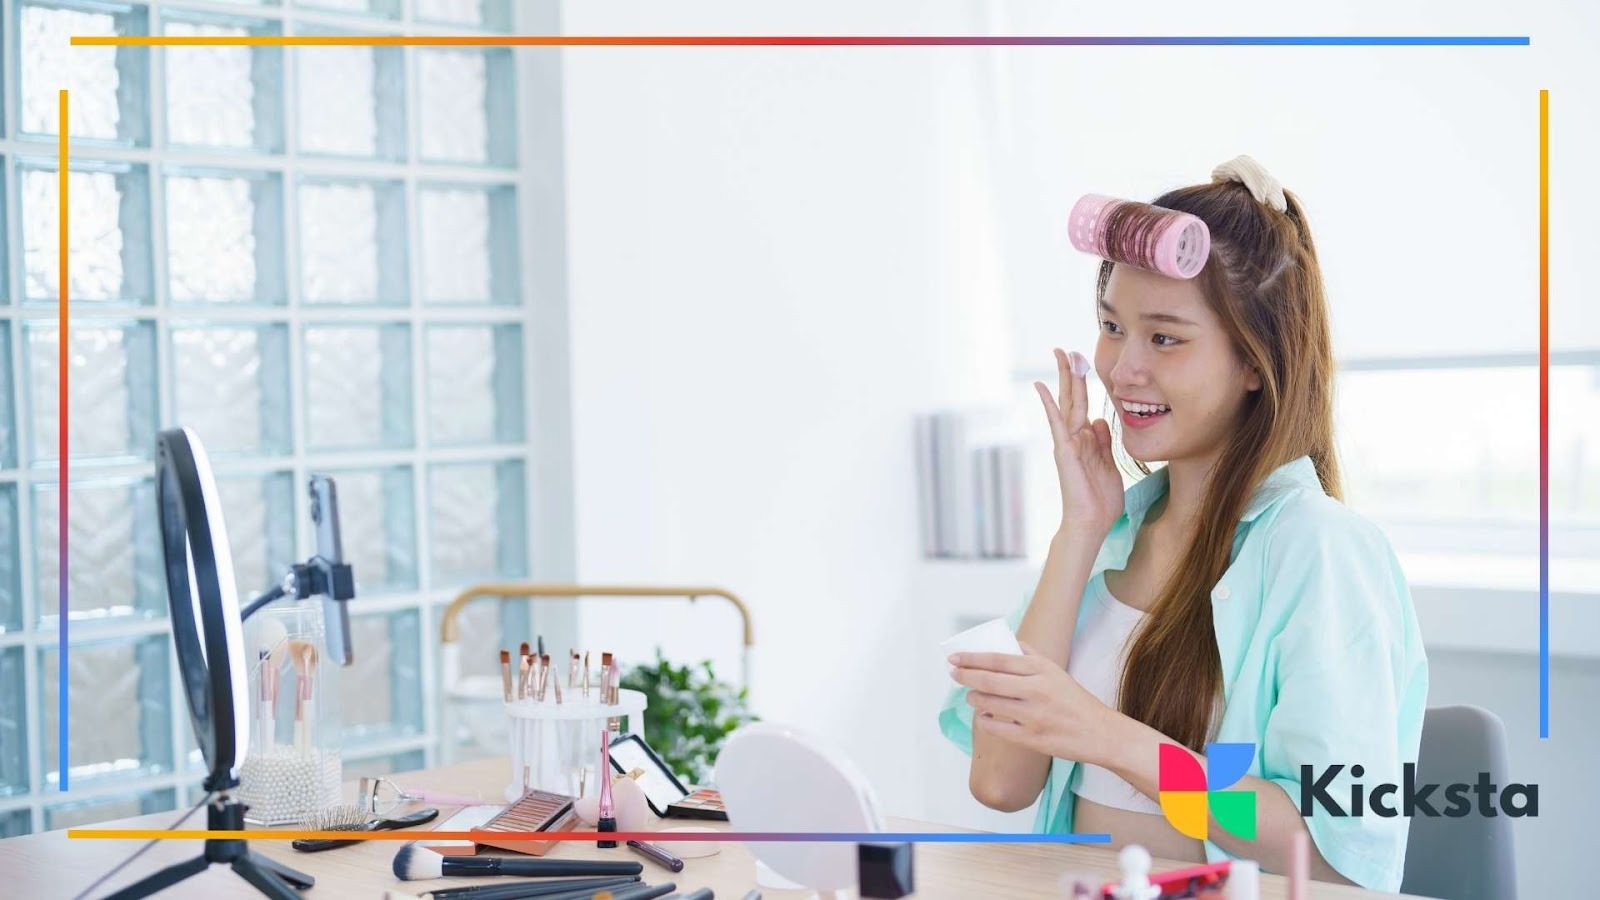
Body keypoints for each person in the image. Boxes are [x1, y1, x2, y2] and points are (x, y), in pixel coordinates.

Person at [939, 156, 1429, 892]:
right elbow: (1002, 781)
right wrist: (1078, 531)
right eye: (1112, 326)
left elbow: (1334, 851)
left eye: (1165, 338)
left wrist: (1108, 737)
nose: (1122, 368)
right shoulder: (1111, 534)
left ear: (1254, 362)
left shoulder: (1319, 550)